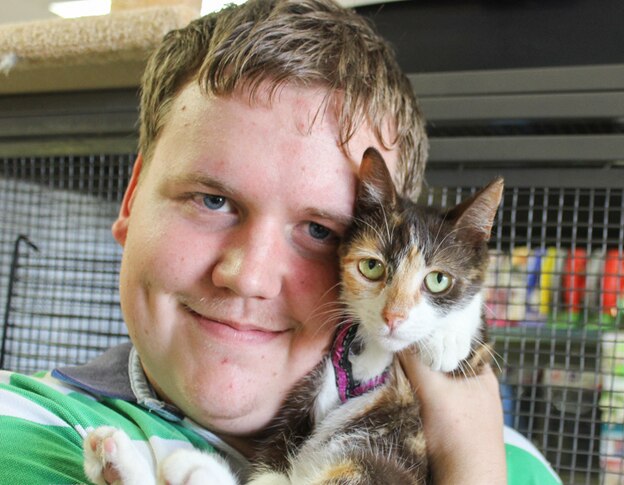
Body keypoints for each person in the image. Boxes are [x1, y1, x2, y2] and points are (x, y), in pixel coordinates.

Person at [0, 0, 561, 483]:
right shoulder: (23, 429)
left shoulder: (524, 465)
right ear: (130, 201)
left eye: (320, 232)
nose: (248, 275)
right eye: (212, 200)